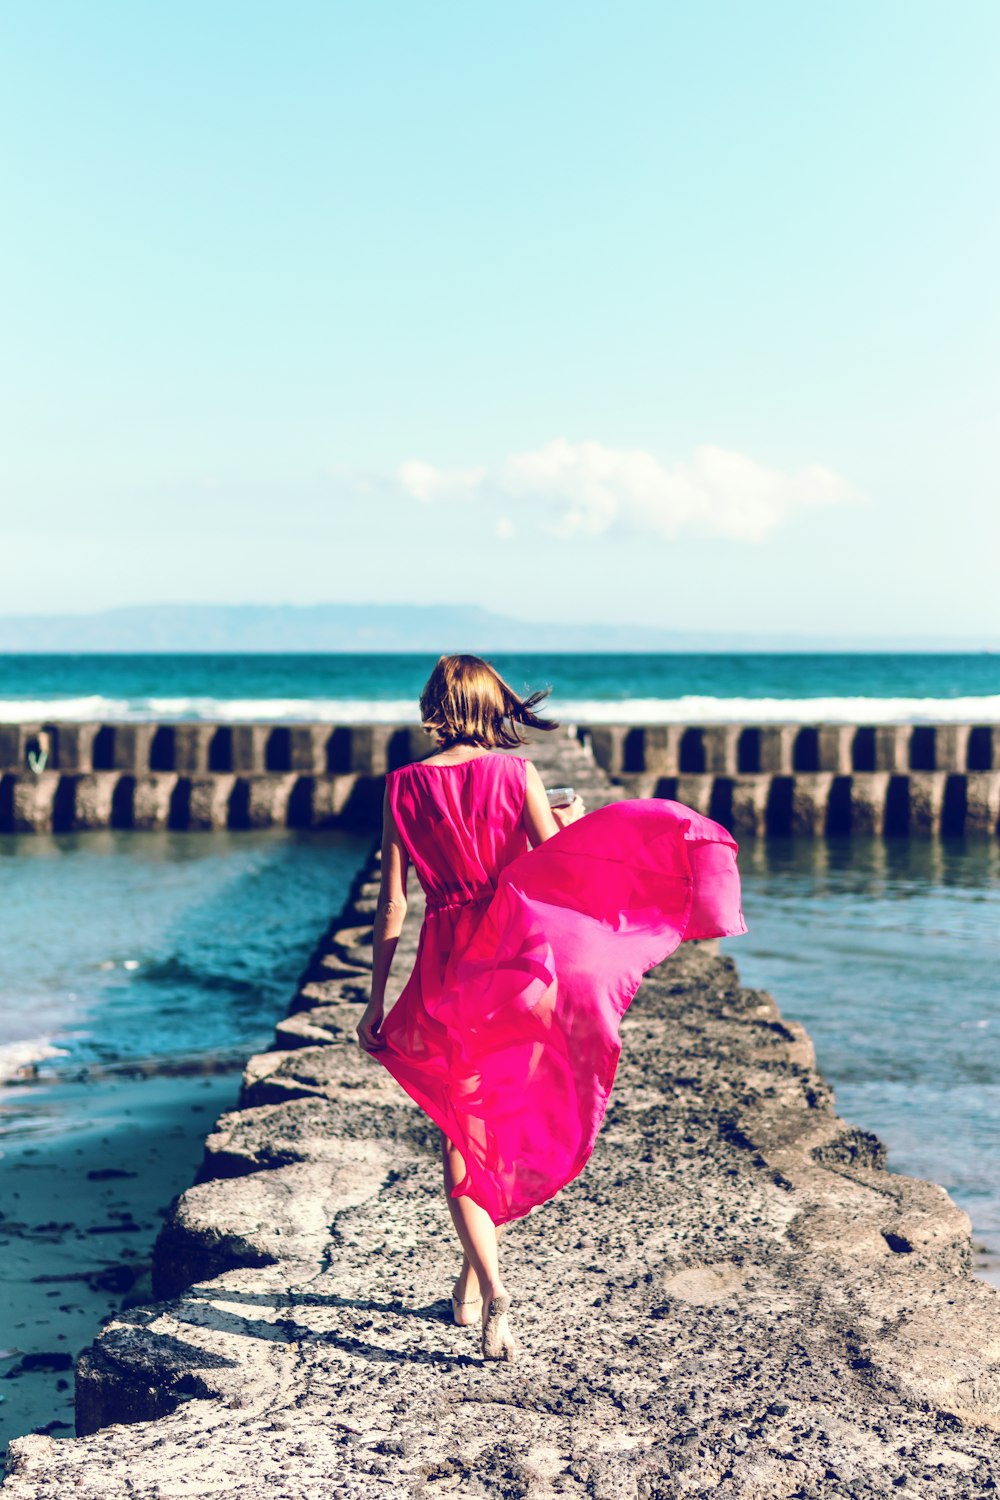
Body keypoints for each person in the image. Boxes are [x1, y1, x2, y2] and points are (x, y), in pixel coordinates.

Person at [356, 653, 746, 1362]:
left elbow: (392, 904)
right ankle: (470, 1288)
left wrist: (375, 1001)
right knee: (493, 1127)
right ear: (489, 704)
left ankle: (494, 1293)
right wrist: (573, 819)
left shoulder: (405, 787)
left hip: (449, 978)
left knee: (462, 1133)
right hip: (518, 972)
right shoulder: (516, 774)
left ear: (435, 705)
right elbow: (556, 867)